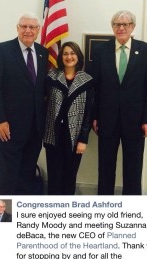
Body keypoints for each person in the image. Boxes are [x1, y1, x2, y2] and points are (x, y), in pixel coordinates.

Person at [91, 10, 147, 195]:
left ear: (132, 27)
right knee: (105, 168)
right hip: (106, 120)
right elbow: (94, 87)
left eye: (125, 24)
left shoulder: (146, 51)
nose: (121, 28)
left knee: (133, 169)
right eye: (117, 24)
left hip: (135, 122)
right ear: (112, 27)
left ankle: (131, 209)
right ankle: (105, 207)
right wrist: (94, 116)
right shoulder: (100, 51)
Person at [0, 13, 48, 195]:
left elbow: (40, 89)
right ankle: (2, 216)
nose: (28, 30)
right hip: (9, 126)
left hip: (35, 127)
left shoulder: (42, 52)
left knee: (27, 172)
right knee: (8, 173)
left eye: (32, 27)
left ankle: (22, 211)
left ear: (38, 30)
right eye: (24, 26)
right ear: (17, 28)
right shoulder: (2, 50)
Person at [43, 41, 94, 195]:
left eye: (72, 53)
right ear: (61, 57)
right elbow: (43, 105)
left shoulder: (87, 80)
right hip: (53, 135)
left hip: (75, 136)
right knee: (54, 177)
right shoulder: (51, 77)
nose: (69, 57)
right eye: (65, 53)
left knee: (69, 177)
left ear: (78, 56)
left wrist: (83, 139)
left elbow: (89, 113)